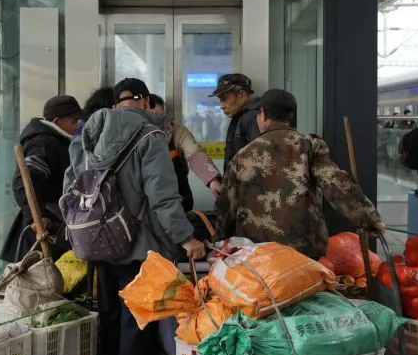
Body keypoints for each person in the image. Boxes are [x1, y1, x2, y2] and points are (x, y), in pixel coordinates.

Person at [65, 77, 205, 355]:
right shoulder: (150, 137)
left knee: (110, 320)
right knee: (136, 327)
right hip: (138, 249)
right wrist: (186, 237)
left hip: (98, 245)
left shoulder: (86, 137)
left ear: (115, 104)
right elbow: (162, 197)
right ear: (144, 102)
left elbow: (71, 188)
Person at [217, 89, 385, 258]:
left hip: (257, 251)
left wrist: (220, 243)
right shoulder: (308, 145)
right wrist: (368, 218)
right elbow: (336, 184)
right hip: (304, 249)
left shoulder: (243, 156)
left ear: (263, 115)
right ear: (290, 116)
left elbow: (227, 208)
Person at [0, 95, 83, 263]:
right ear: (57, 121)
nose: (76, 126)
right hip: (43, 228)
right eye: (73, 121)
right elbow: (24, 182)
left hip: (53, 225)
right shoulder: (43, 143)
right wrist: (36, 217)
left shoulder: (57, 140)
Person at [148, 95, 223, 201]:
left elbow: (194, 152)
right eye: (151, 116)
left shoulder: (178, 132)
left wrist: (212, 180)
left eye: (160, 115)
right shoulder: (135, 135)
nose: (157, 120)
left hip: (178, 196)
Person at [210, 73, 261, 169]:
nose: (221, 106)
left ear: (241, 94)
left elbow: (258, 163)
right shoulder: (240, 117)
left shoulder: (252, 118)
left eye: (224, 99)